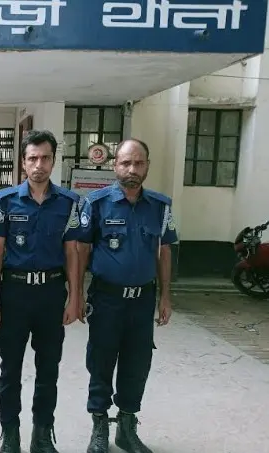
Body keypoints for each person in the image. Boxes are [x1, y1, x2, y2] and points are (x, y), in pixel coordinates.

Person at [76, 138, 178, 453]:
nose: (132, 169)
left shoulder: (160, 206)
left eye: (138, 163)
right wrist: (76, 294)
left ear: (147, 166)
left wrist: (165, 296)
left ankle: (127, 427)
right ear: (115, 165)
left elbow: (164, 251)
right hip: (106, 299)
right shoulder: (95, 203)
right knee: (101, 360)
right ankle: (99, 426)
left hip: (142, 300)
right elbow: (81, 249)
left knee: (137, 363)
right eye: (125, 163)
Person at [0, 130, 83, 453]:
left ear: (53, 161)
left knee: (48, 368)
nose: (39, 165)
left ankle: (42, 435)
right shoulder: (5, 201)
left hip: (51, 293)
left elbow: (72, 252)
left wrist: (75, 297)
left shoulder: (69, 203)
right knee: (10, 369)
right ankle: (10, 435)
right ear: (23, 162)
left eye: (45, 158)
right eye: (32, 158)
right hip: (14, 294)